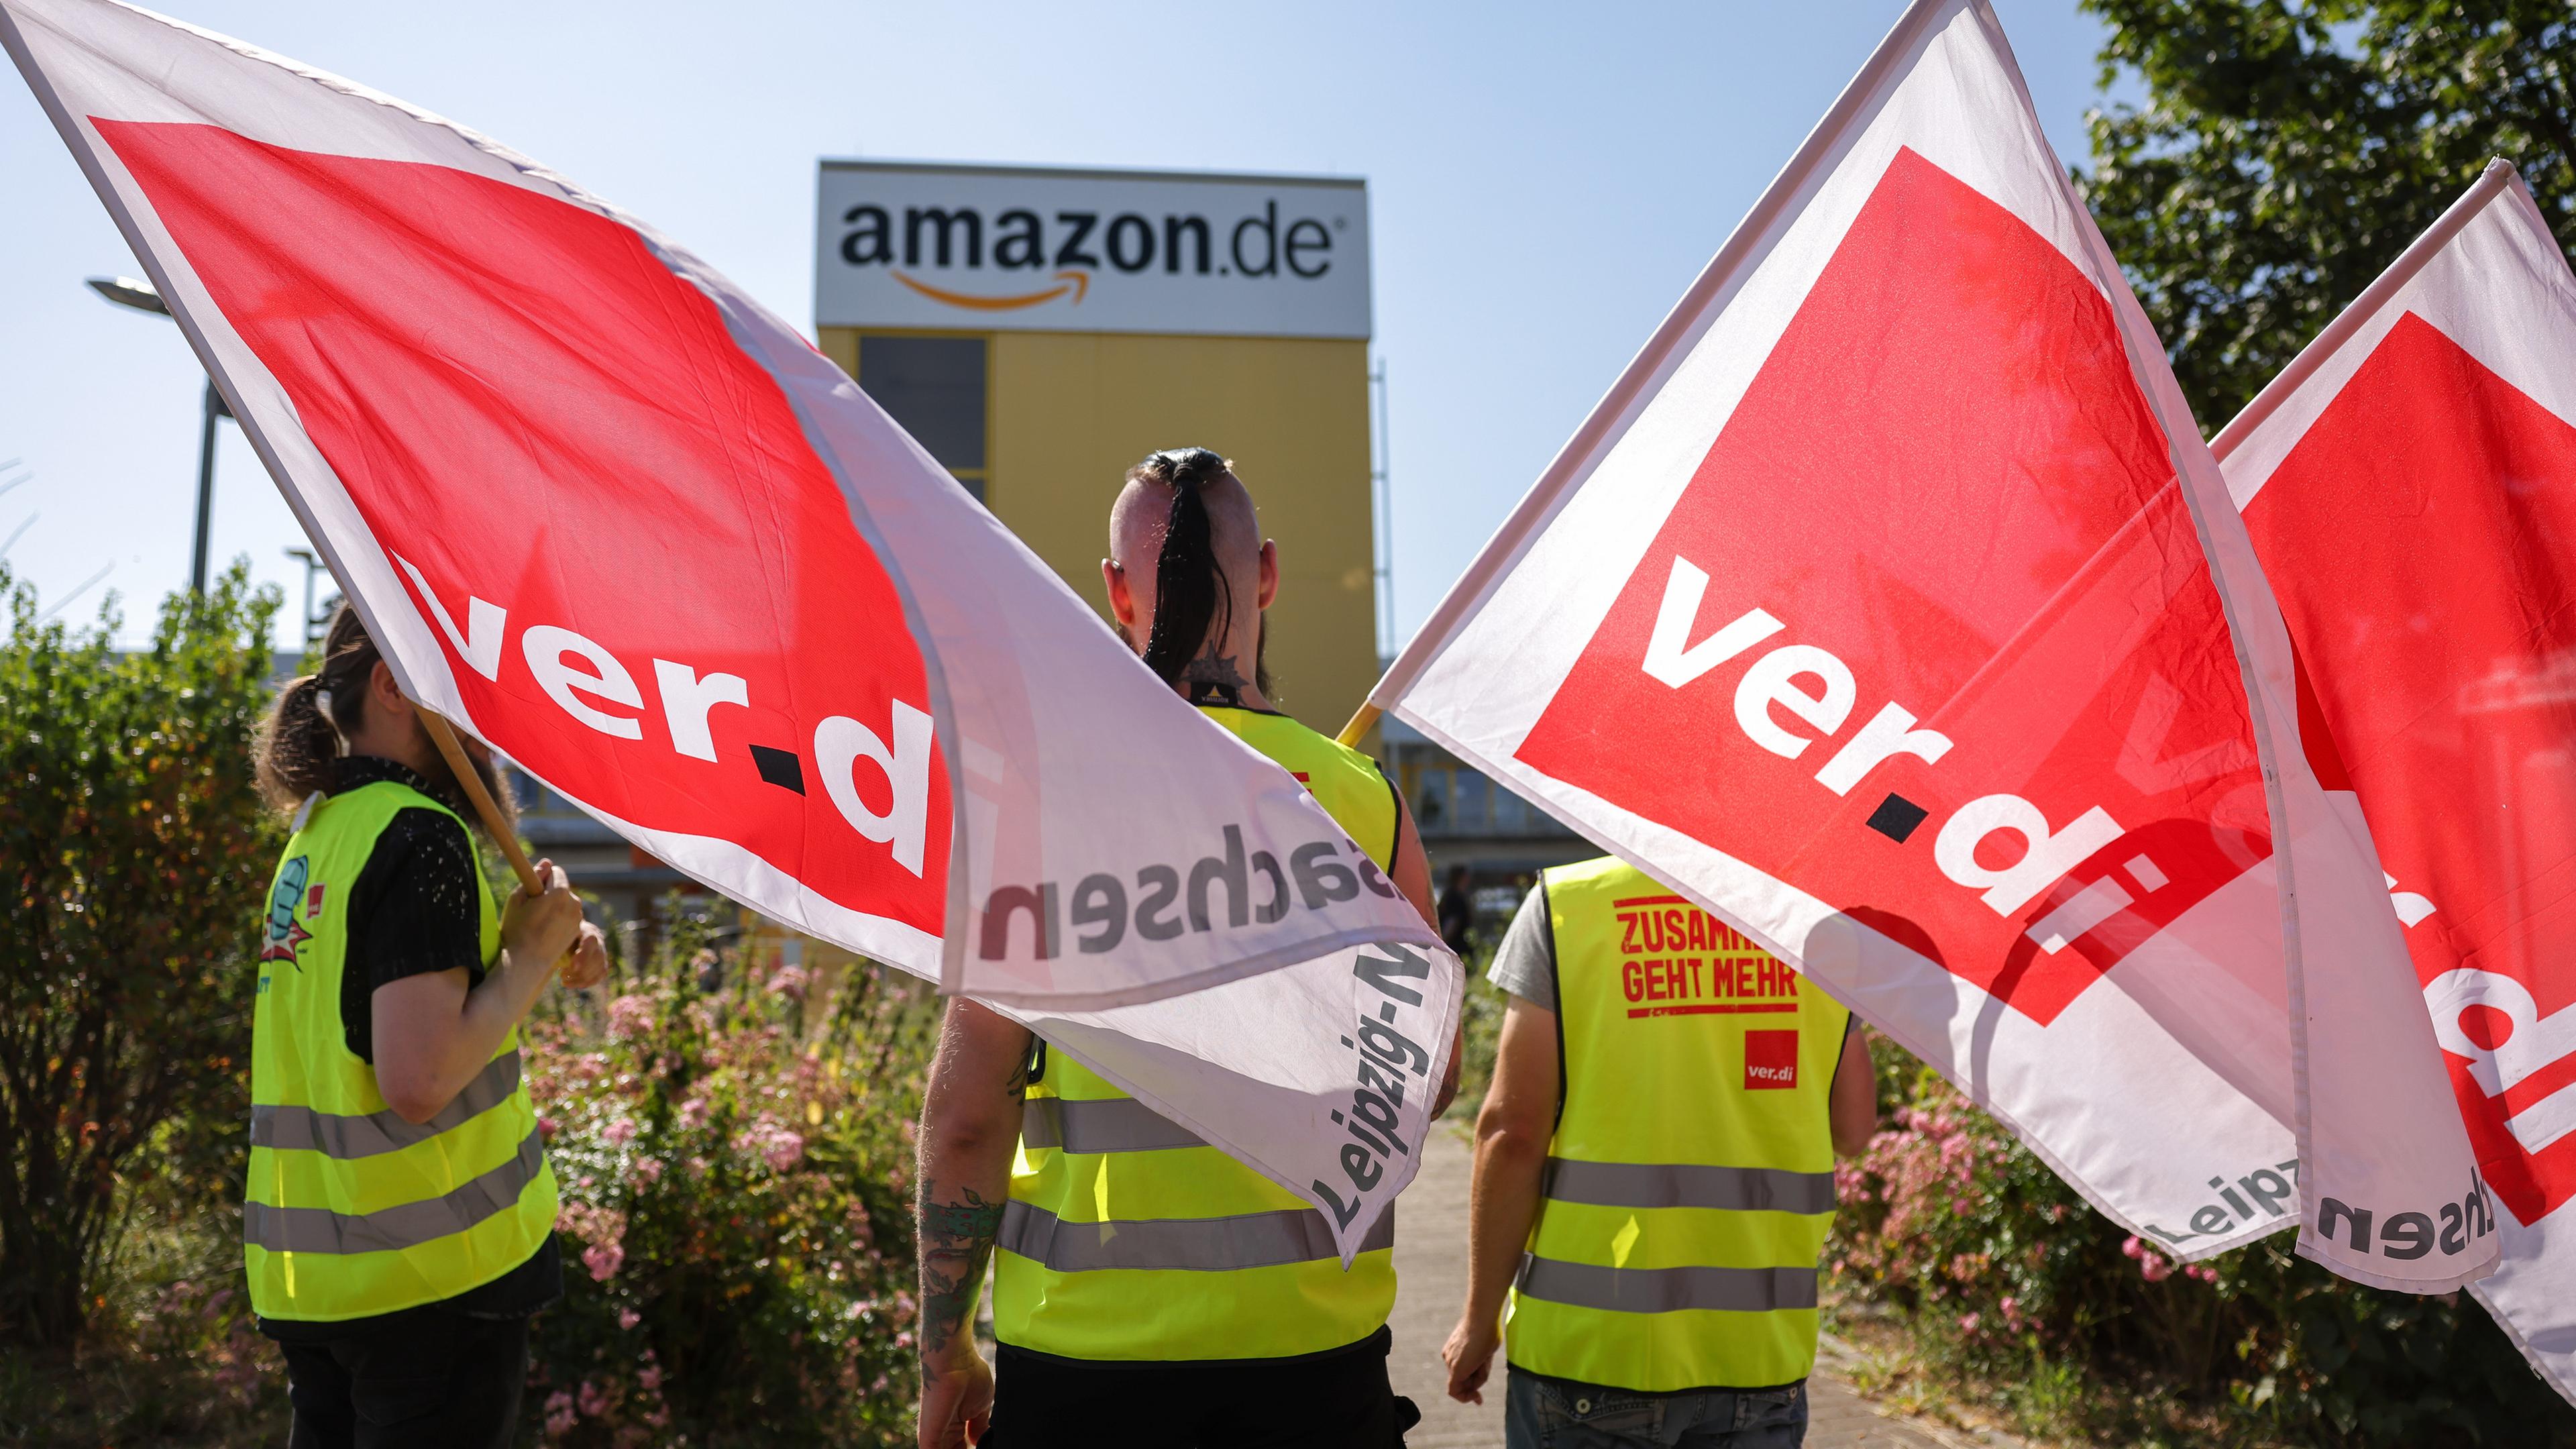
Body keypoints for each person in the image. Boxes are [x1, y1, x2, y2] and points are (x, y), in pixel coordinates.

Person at [914, 446, 1458, 1449]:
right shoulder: (1364, 805)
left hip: (1084, 1365)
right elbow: (1433, 1078)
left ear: (1118, 592)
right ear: (1269, 575)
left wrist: (944, 1351)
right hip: (1313, 1362)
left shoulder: (1042, 800)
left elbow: (966, 1119)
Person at [247, 603, 609, 1449]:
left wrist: (530, 949)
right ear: (392, 685)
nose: (481, 713)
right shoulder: (420, 837)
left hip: (325, 1285)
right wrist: (527, 960)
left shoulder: (322, 833)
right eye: (459, 680)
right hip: (434, 1282)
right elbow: (420, 1079)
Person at [1441, 856, 1878, 1448]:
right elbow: (1853, 1129)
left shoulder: (1568, 904)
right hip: (1759, 1355)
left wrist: (1478, 1320)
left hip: (1593, 1349)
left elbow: (1512, 1134)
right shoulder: (1816, 923)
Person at [1438, 863, 1478, 958]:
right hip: (1455, 947)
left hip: (1457, 945)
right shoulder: (1454, 897)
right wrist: (1443, 944)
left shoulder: (1454, 895)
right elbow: (1452, 922)